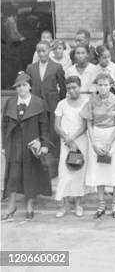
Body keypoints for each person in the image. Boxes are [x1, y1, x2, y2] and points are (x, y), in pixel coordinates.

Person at [1, 72, 52, 221]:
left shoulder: (38, 102)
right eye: (18, 86)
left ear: (30, 86)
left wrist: (44, 144)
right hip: (14, 143)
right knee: (13, 175)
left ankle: (29, 205)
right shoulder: (10, 102)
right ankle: (11, 206)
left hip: (31, 143)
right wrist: (4, 145)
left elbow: (44, 125)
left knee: (30, 174)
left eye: (24, 85)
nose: (21, 89)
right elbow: (4, 125)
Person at [81, 73, 115, 219]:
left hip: (112, 138)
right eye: (100, 85)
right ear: (96, 86)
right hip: (96, 137)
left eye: (106, 85)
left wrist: (109, 142)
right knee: (98, 171)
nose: (103, 88)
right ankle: (101, 204)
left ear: (111, 85)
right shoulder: (92, 101)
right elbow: (89, 122)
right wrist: (93, 142)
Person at [26, 40, 66, 176]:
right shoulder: (31, 68)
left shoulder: (57, 67)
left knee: (52, 134)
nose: (42, 53)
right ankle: (39, 168)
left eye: (44, 50)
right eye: (39, 51)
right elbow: (28, 88)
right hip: (37, 107)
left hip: (52, 106)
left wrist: (60, 104)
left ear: (49, 51)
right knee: (38, 134)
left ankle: (53, 168)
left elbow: (63, 89)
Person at [54, 75, 88, 218]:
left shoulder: (86, 102)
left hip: (80, 142)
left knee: (78, 172)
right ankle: (64, 205)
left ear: (79, 87)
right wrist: (67, 138)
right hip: (65, 143)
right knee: (65, 173)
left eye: (74, 87)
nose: (72, 90)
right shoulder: (62, 103)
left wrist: (73, 138)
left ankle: (78, 205)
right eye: (69, 88)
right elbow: (56, 126)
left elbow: (85, 125)